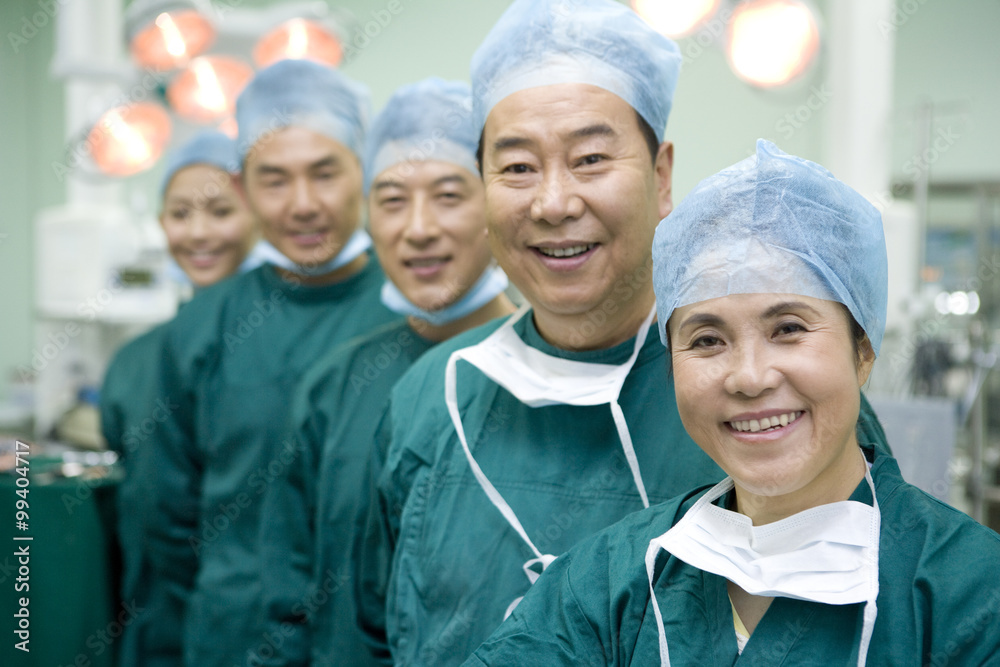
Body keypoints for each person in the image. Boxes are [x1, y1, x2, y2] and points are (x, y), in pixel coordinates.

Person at [355, 2, 891, 665]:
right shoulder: (430, 402)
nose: (553, 203)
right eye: (518, 167)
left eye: (589, 158)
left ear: (661, 176)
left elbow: (874, 618)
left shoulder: (766, 398)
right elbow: (364, 635)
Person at [464, 140, 1000, 666]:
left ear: (863, 349)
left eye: (788, 328)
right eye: (706, 340)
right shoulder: (608, 582)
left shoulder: (971, 593)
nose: (748, 377)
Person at [146, 60, 400, 667]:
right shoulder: (199, 333)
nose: (304, 204)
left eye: (325, 173)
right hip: (230, 640)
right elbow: (168, 528)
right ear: (241, 188)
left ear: (362, 171)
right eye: (275, 179)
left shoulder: (410, 312)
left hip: (370, 641)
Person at [258, 77, 515, 667]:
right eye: (392, 199)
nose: (417, 228)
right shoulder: (337, 385)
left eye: (449, 195)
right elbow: (290, 598)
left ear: (496, 205)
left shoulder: (546, 375)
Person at [100, 129, 260, 667]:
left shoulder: (276, 354)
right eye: (179, 213)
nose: (198, 233)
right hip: (156, 621)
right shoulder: (136, 358)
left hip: (249, 622)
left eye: (220, 211)